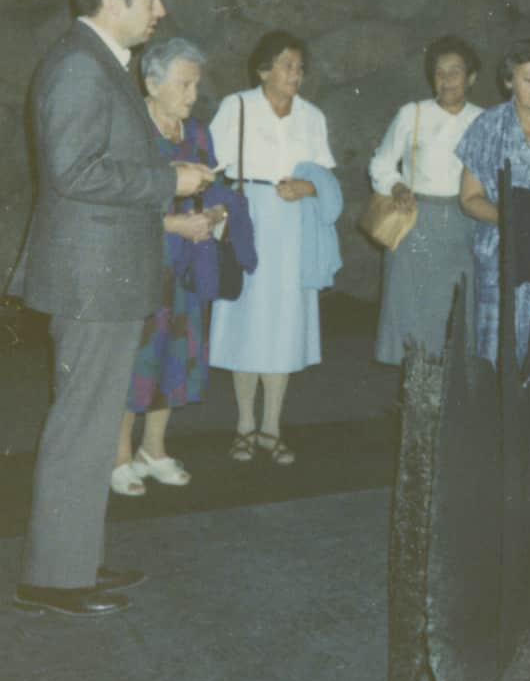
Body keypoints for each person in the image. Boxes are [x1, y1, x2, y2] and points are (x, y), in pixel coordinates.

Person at [10, 0, 216, 616]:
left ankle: (72, 561)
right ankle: (53, 579)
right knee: (82, 425)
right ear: (112, 1)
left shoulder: (99, 62)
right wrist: (169, 179)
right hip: (90, 279)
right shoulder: (78, 66)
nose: (162, 9)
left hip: (103, 273)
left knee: (95, 426)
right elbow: (74, 172)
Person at [111, 38, 253, 497]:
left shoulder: (197, 134)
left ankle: (154, 449)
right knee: (134, 356)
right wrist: (173, 222)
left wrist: (213, 216)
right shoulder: (128, 129)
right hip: (140, 260)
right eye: (184, 84)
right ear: (151, 83)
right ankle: (118, 455)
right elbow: (115, 202)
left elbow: (211, 191)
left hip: (186, 263)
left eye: (196, 84)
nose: (193, 95)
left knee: (175, 353)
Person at [208, 30, 341, 465]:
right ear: (263, 69)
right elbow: (211, 167)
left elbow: (325, 176)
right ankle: (244, 425)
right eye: (286, 65)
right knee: (247, 321)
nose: (295, 74)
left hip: (294, 224)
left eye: (300, 67)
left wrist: (306, 186)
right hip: (249, 216)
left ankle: (272, 428)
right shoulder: (237, 107)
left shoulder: (312, 116)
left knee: (284, 324)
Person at [369, 35, 483, 364]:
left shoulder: (484, 120)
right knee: (412, 314)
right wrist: (398, 186)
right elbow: (380, 163)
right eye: (439, 72)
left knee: (458, 314)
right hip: (415, 222)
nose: (447, 79)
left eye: (456, 71)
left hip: (465, 223)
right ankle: (418, 396)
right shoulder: (412, 114)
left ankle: (453, 400)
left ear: (471, 77)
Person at [457, 39, 530, 366]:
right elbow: (469, 199)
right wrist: (514, 218)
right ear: (508, 82)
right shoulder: (487, 126)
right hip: (501, 251)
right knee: (498, 346)